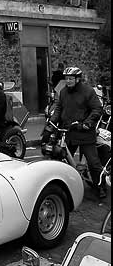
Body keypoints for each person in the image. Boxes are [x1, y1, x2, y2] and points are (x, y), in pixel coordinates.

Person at [50, 66, 105, 200]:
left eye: (70, 79)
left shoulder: (88, 91)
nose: (68, 81)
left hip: (85, 132)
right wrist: (51, 124)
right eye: (66, 79)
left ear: (77, 79)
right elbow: (58, 109)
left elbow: (97, 109)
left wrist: (87, 123)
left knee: (93, 163)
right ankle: (63, 188)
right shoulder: (63, 92)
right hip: (69, 132)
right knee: (61, 161)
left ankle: (100, 186)